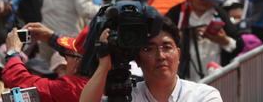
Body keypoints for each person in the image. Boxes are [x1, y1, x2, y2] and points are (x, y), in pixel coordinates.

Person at [79, 18, 223, 102]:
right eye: (150, 49)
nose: (161, 56)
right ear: (138, 60)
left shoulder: (204, 96)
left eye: (167, 47)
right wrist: (104, 64)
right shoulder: (126, 97)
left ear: (178, 54)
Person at [165, 0, 244, 81]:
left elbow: (239, 44)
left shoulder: (219, 14)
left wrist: (224, 40)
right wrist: (186, 35)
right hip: (185, 79)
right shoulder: (177, 13)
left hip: (216, 78)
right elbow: (163, 42)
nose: (207, 2)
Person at [3, 25, 89, 101]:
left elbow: (21, 82)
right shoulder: (99, 77)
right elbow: (79, 53)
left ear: (78, 64)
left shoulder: (72, 88)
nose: (66, 59)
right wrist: (51, 37)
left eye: (67, 56)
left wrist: (13, 52)